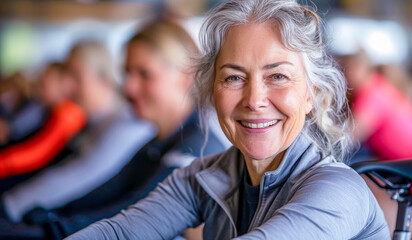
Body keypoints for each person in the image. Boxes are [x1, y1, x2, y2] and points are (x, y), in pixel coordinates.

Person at [67, 0, 390, 239]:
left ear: (310, 95)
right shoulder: (202, 178)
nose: (254, 100)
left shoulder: (339, 190)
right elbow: (120, 233)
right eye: (234, 78)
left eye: (277, 76)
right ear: (212, 90)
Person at [33, 20, 228, 239]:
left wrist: (46, 226)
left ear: (186, 76)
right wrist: (46, 217)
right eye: (127, 73)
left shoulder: (197, 151)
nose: (129, 87)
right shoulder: (156, 143)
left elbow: (131, 215)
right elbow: (107, 194)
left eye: (144, 74)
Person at [0, 41, 154, 226]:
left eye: (76, 77)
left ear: (104, 79)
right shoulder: (87, 120)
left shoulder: (127, 125)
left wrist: (9, 206)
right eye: (66, 75)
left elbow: (71, 178)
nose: (66, 86)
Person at [337, 50, 412, 161]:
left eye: (346, 68)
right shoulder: (379, 85)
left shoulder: (372, 92)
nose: (342, 75)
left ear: (358, 67)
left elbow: (349, 137)